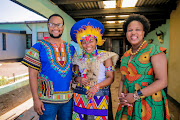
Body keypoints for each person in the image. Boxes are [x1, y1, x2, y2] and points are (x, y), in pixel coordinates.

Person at [115, 14, 170, 120]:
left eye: (138, 29)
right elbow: (123, 79)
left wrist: (135, 96)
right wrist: (121, 97)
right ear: (126, 33)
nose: (133, 33)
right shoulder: (125, 55)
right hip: (128, 103)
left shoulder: (154, 50)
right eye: (130, 30)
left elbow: (162, 81)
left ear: (143, 32)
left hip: (149, 102)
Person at [21, 14, 75, 120]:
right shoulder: (38, 47)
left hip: (68, 100)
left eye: (58, 25)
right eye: (52, 24)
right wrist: (35, 100)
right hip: (46, 101)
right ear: (47, 26)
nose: (55, 28)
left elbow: (75, 72)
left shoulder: (71, 48)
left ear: (63, 27)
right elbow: (32, 75)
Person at [70, 18, 119, 120]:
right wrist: (79, 79)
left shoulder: (106, 56)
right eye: (84, 42)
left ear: (97, 41)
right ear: (80, 44)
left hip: (100, 96)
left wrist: (96, 87)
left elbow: (111, 78)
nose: (88, 45)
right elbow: (74, 76)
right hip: (80, 97)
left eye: (91, 41)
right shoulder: (77, 59)